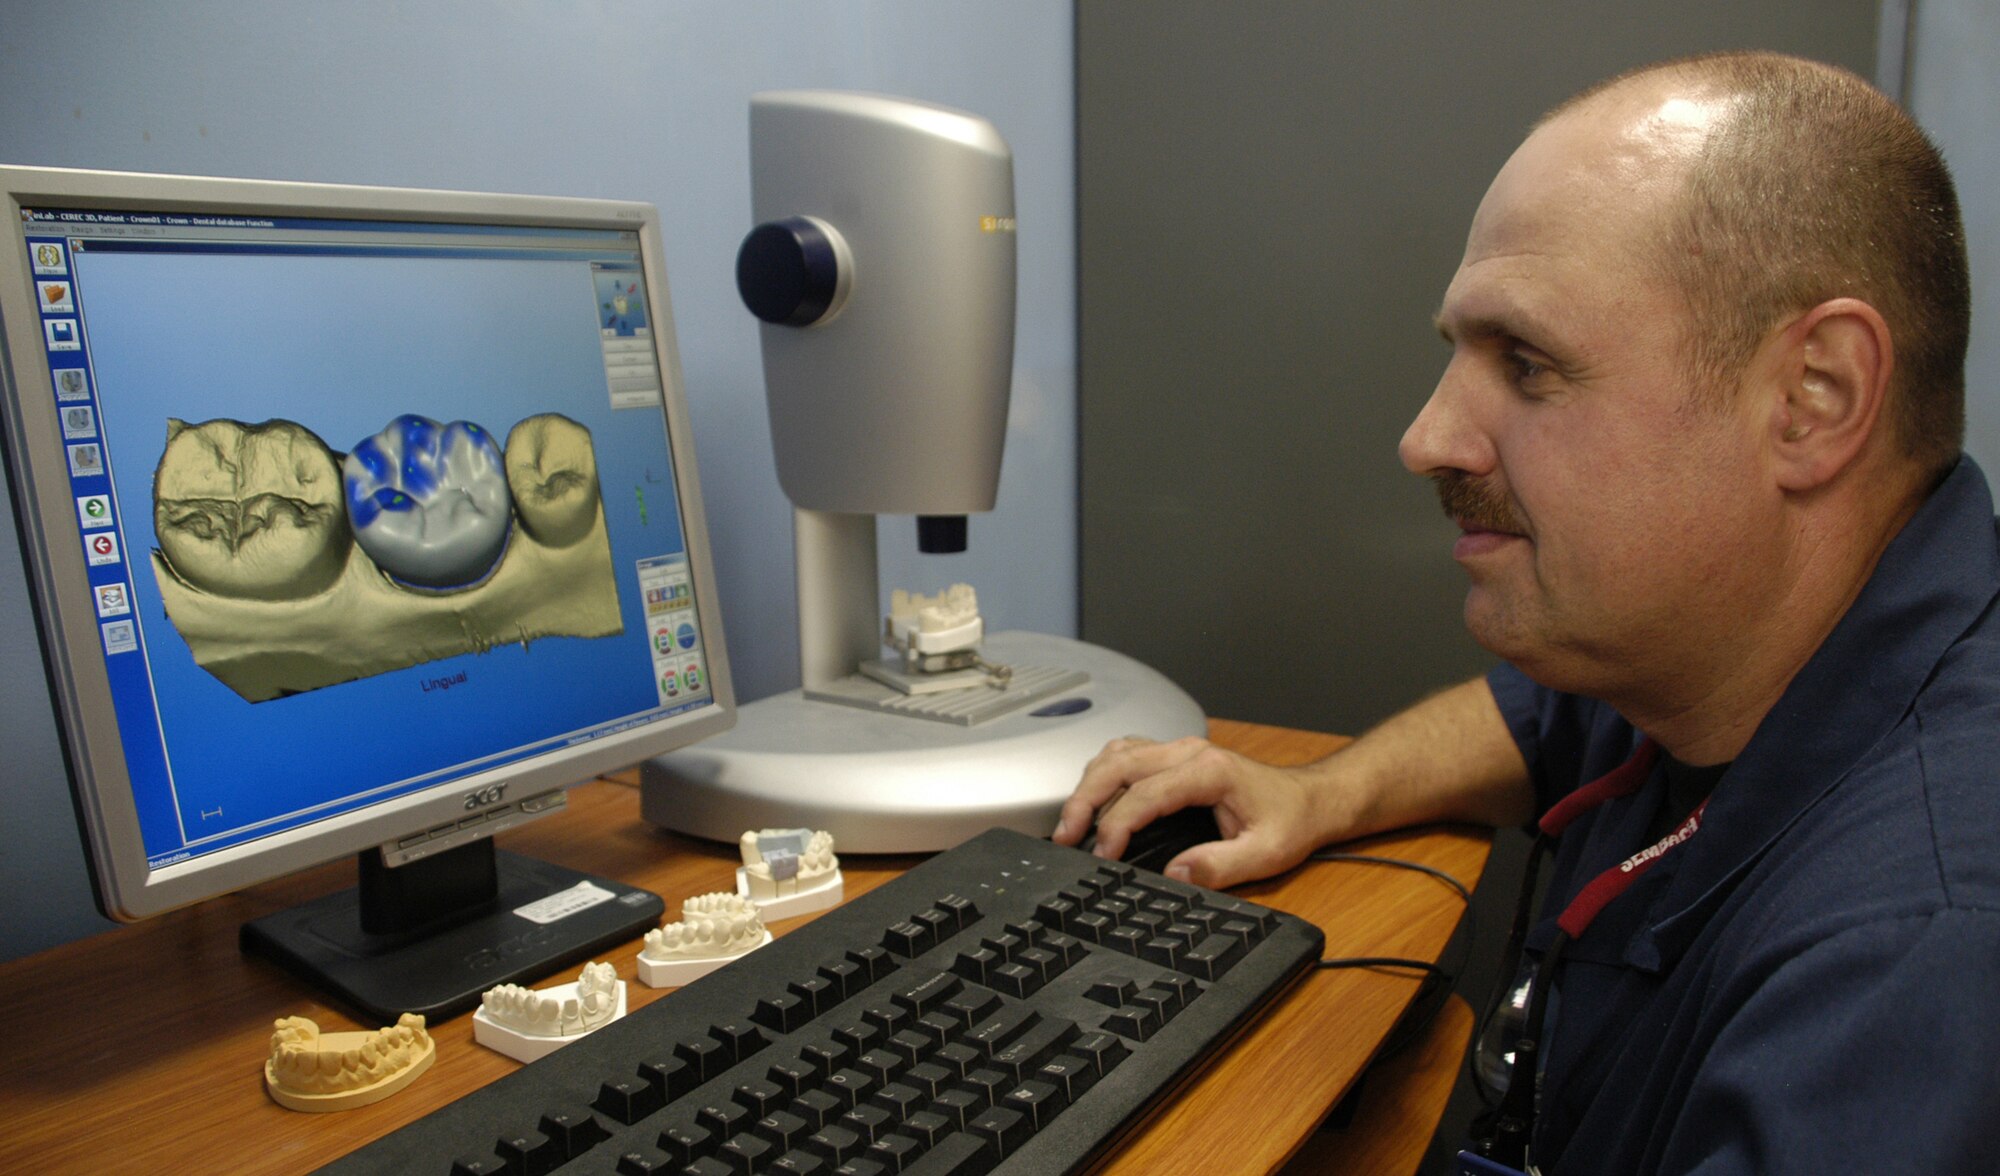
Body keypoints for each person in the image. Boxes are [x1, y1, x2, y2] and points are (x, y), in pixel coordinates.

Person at [1054, 51, 2000, 1175]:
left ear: (1812, 398)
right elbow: (1534, 724)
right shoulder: (1728, 652)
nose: (1425, 440)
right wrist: (1320, 792)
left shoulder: (1906, 965)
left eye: (1529, 363)